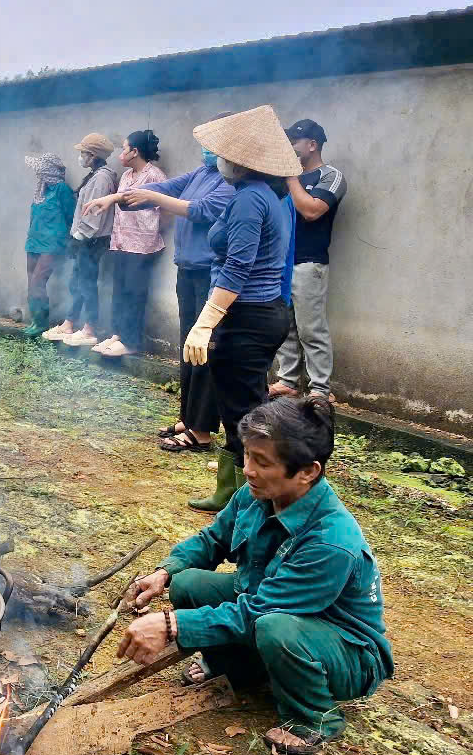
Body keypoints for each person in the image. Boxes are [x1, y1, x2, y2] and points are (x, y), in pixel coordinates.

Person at [118, 396, 393, 755]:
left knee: (274, 628)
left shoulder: (331, 541)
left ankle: (315, 718)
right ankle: (237, 670)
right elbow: (213, 539)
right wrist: (164, 572)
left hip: (344, 651)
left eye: (262, 461)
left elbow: (259, 613)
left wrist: (171, 625)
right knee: (188, 583)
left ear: (308, 471)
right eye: (248, 455)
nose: (248, 469)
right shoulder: (257, 493)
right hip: (274, 608)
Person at [180, 105, 297, 512]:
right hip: (261, 312)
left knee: (241, 411)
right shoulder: (263, 195)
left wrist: (206, 321)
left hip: (247, 314)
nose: (218, 160)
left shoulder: (250, 199)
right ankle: (240, 492)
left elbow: (239, 265)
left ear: (242, 162)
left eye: (223, 155)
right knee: (245, 404)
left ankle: (245, 497)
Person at [108, 124, 236, 451]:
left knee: (204, 347)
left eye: (211, 146)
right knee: (187, 345)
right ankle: (188, 417)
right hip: (189, 268)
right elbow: (167, 186)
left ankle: (203, 431)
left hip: (211, 272)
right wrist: (116, 197)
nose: (206, 151)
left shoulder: (231, 181)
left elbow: (202, 210)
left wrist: (151, 195)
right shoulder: (201, 173)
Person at [272, 120, 346, 400]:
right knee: (285, 326)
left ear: (312, 145)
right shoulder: (283, 179)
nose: (289, 148)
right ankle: (288, 380)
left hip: (308, 262)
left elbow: (311, 211)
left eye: (294, 142)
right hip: (280, 263)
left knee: (311, 329)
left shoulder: (331, 176)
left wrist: (291, 177)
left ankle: (319, 389)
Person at [82, 131, 166, 356]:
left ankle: (131, 342)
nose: (121, 153)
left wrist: (150, 230)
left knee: (134, 293)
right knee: (119, 291)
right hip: (121, 243)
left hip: (142, 246)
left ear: (135, 152)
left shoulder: (155, 175)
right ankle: (118, 334)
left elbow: (165, 211)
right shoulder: (127, 175)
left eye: (124, 148)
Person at [50, 133, 118, 347]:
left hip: (92, 240)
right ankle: (70, 322)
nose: (80, 157)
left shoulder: (101, 178)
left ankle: (90, 329)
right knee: (77, 282)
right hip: (86, 239)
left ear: (93, 155)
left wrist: (78, 238)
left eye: (83, 153)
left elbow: (93, 213)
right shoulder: (95, 175)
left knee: (87, 283)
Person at [21, 151, 76, 337]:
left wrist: (68, 243)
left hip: (52, 244)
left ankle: (42, 323)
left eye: (40, 170)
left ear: (48, 170)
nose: (37, 174)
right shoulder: (41, 190)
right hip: (34, 242)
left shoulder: (62, 190)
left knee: (37, 281)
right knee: (31, 282)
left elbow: (71, 216)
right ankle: (35, 320)